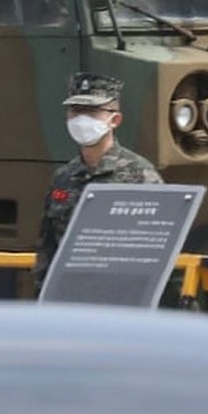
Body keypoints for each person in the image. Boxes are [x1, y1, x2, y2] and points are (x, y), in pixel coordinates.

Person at [35, 72, 163, 293]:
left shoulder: (140, 176)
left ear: (115, 120)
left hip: (121, 298)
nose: (81, 120)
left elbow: (158, 248)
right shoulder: (64, 178)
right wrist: (42, 297)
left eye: (92, 112)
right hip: (70, 297)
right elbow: (48, 249)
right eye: (76, 111)